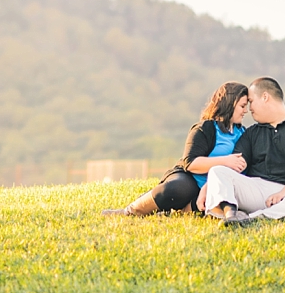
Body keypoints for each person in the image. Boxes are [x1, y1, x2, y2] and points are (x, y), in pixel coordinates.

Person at [102, 81, 249, 217]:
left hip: (214, 187)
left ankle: (171, 212)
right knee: (178, 189)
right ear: (230, 104)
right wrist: (225, 161)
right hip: (189, 177)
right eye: (242, 106)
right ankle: (130, 211)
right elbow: (190, 163)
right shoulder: (206, 128)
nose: (246, 111)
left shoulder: (243, 133)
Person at [205, 76, 285, 226]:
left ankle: (251, 219)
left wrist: (283, 192)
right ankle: (231, 216)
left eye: (251, 101)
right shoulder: (251, 133)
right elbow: (233, 166)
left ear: (265, 97)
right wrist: (208, 186)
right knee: (217, 171)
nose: (249, 109)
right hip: (258, 189)